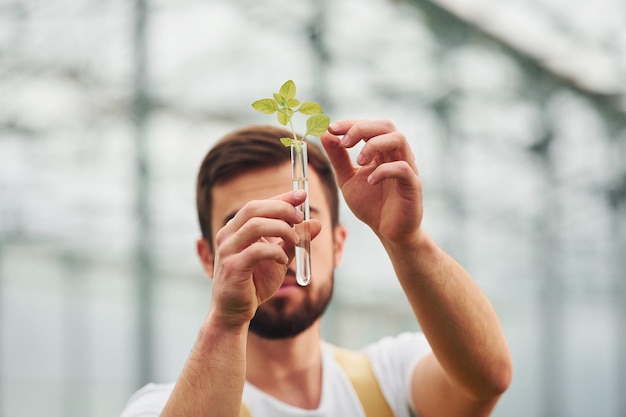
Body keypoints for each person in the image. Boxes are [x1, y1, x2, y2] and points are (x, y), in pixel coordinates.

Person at [119, 119, 512, 417]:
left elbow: (486, 380)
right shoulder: (160, 407)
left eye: (301, 218)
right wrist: (226, 322)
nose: (283, 247)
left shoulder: (389, 378)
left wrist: (407, 241)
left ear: (339, 244)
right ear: (209, 258)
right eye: (246, 226)